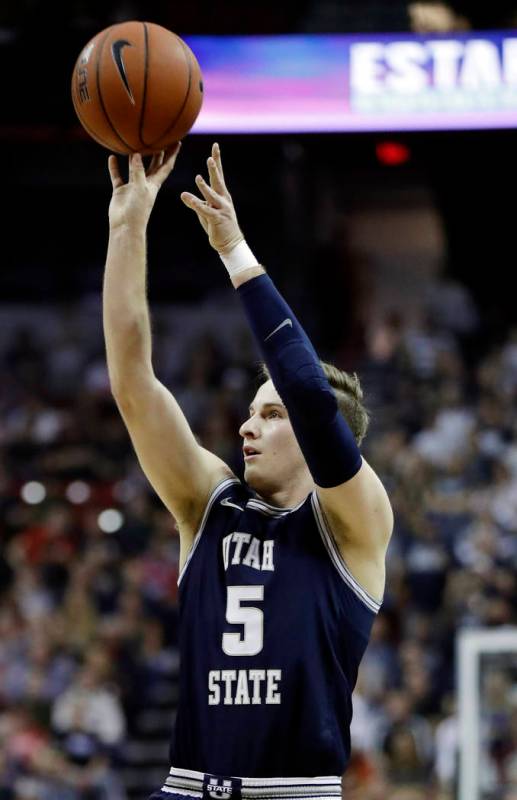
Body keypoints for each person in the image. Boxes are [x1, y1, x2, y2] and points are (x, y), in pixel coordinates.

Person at [103, 142, 393, 800]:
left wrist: (235, 249)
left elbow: (310, 396)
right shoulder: (207, 503)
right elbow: (132, 384)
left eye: (269, 415)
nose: (245, 427)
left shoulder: (355, 525)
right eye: (250, 413)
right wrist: (127, 226)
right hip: (183, 788)